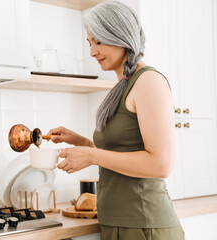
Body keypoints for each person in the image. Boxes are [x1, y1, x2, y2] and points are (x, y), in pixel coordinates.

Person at [47, 1, 185, 240]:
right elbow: (119, 156)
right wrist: (81, 142)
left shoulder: (149, 81)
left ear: (121, 35)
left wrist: (92, 155)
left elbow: (161, 164)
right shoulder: (122, 86)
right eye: (89, 43)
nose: (92, 51)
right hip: (118, 223)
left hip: (144, 226)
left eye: (98, 41)